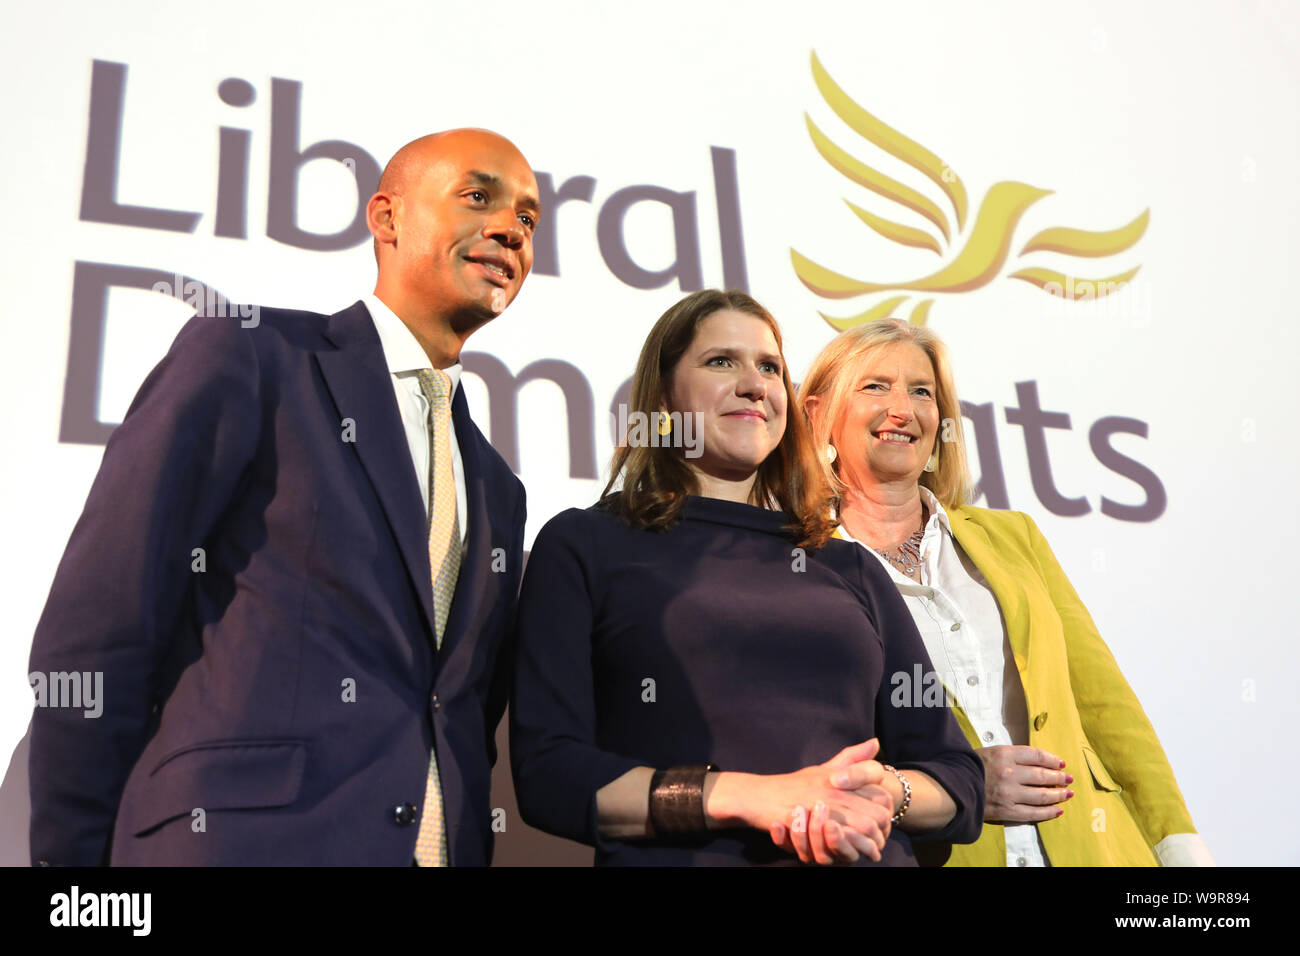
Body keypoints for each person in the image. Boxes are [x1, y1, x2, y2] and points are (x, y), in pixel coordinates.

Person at [27, 128, 539, 866]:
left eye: (527, 219)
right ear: (386, 217)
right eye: (478, 196)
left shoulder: (499, 486)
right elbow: (101, 626)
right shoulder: (252, 358)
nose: (508, 229)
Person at [509, 289, 983, 865]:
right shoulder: (584, 545)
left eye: (769, 367)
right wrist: (756, 798)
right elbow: (550, 775)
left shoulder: (848, 564)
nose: (755, 384)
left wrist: (885, 791)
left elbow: (959, 777)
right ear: (663, 396)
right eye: (720, 362)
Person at [799, 318, 1213, 866]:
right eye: (875, 386)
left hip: (1094, 849)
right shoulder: (799, 564)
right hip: (941, 851)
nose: (903, 409)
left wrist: (1179, 848)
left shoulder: (1013, 537)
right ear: (818, 414)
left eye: (922, 391)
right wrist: (956, 785)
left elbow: (1106, 705)